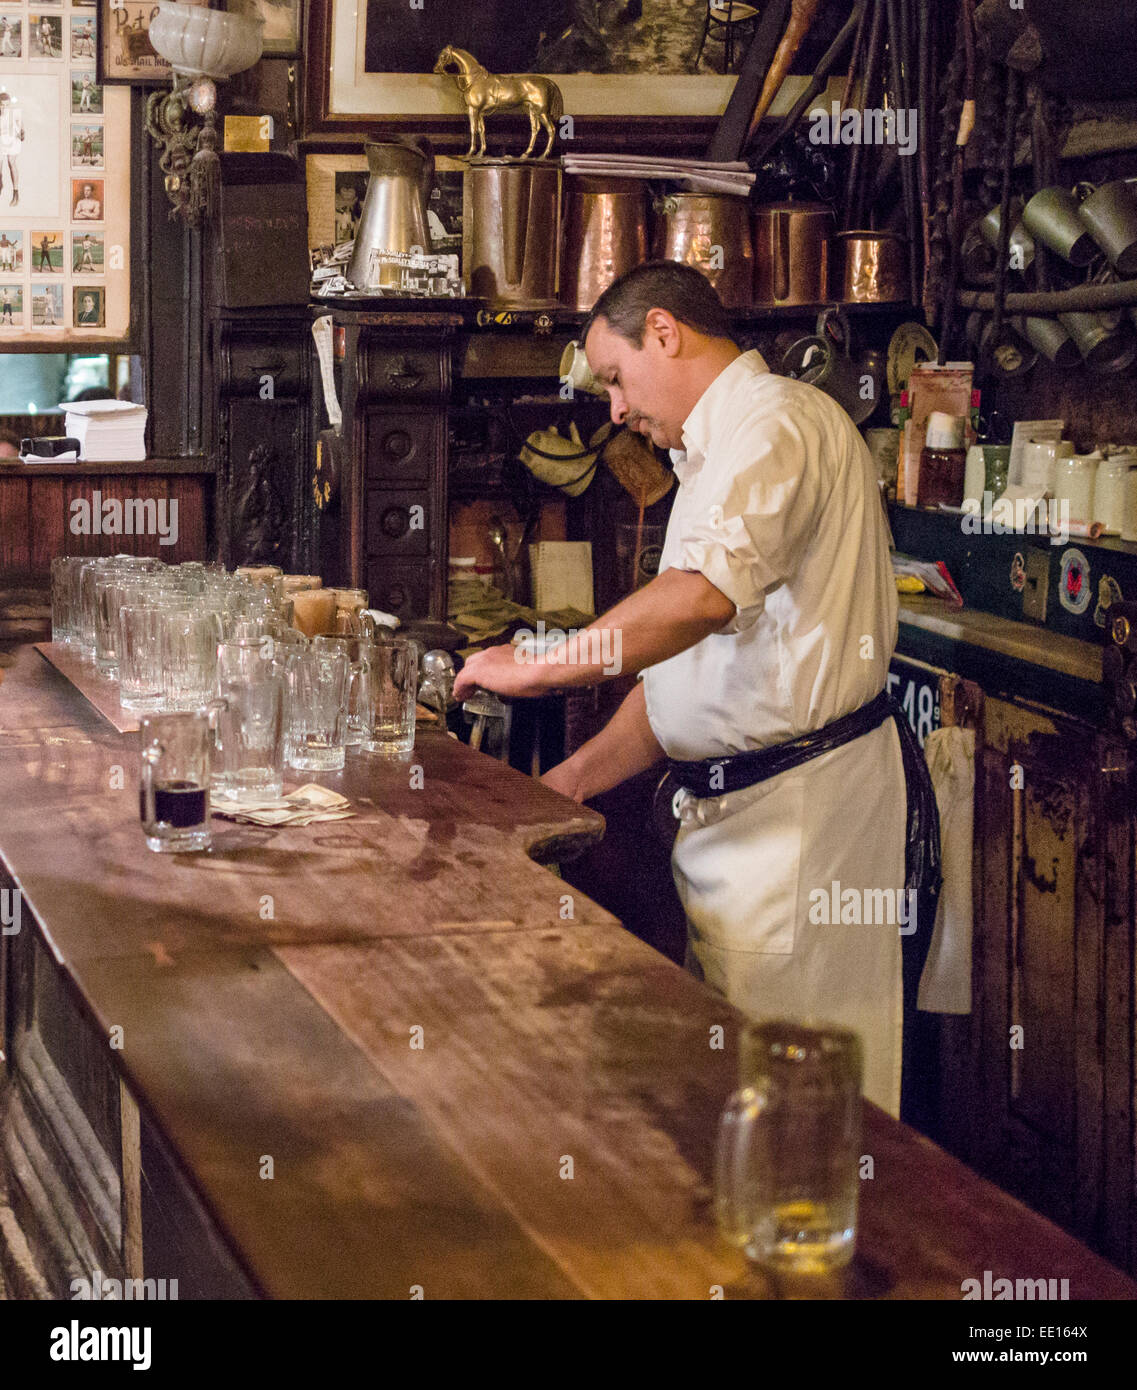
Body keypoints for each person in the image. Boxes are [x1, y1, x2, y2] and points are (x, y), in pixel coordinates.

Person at [453, 262, 936, 1117]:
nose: (614, 409)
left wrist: (540, 661)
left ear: (665, 333)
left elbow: (698, 600)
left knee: (804, 1106)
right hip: (729, 829)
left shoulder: (777, 422)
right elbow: (686, 672)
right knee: (740, 1100)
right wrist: (568, 784)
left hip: (799, 829)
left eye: (614, 377)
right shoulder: (710, 454)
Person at [0, 90, 23, 208]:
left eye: (7, 105)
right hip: (1, 140)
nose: (5, 108)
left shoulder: (14, 113)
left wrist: (21, 132)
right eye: (2, 105)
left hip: (12, 139)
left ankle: (16, 193)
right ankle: (0, 183)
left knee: (11, 162)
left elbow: (20, 125)